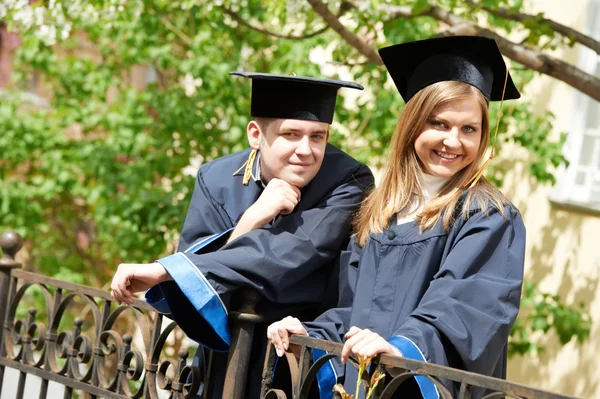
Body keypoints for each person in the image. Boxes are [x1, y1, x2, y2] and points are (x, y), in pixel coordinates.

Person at [267, 36, 526, 399]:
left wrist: (402, 348)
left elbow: (466, 309)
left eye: (469, 128)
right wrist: (307, 336)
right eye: (439, 123)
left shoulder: (487, 216)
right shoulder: (381, 212)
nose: (453, 141)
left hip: (418, 387)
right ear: (413, 126)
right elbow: (350, 311)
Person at [110, 72, 374, 396]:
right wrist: (252, 219)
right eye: (290, 134)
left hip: (295, 354)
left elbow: (294, 252)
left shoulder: (348, 180)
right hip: (223, 350)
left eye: (317, 137)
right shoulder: (217, 178)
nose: (305, 150)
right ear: (255, 134)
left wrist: (167, 270)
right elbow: (197, 296)